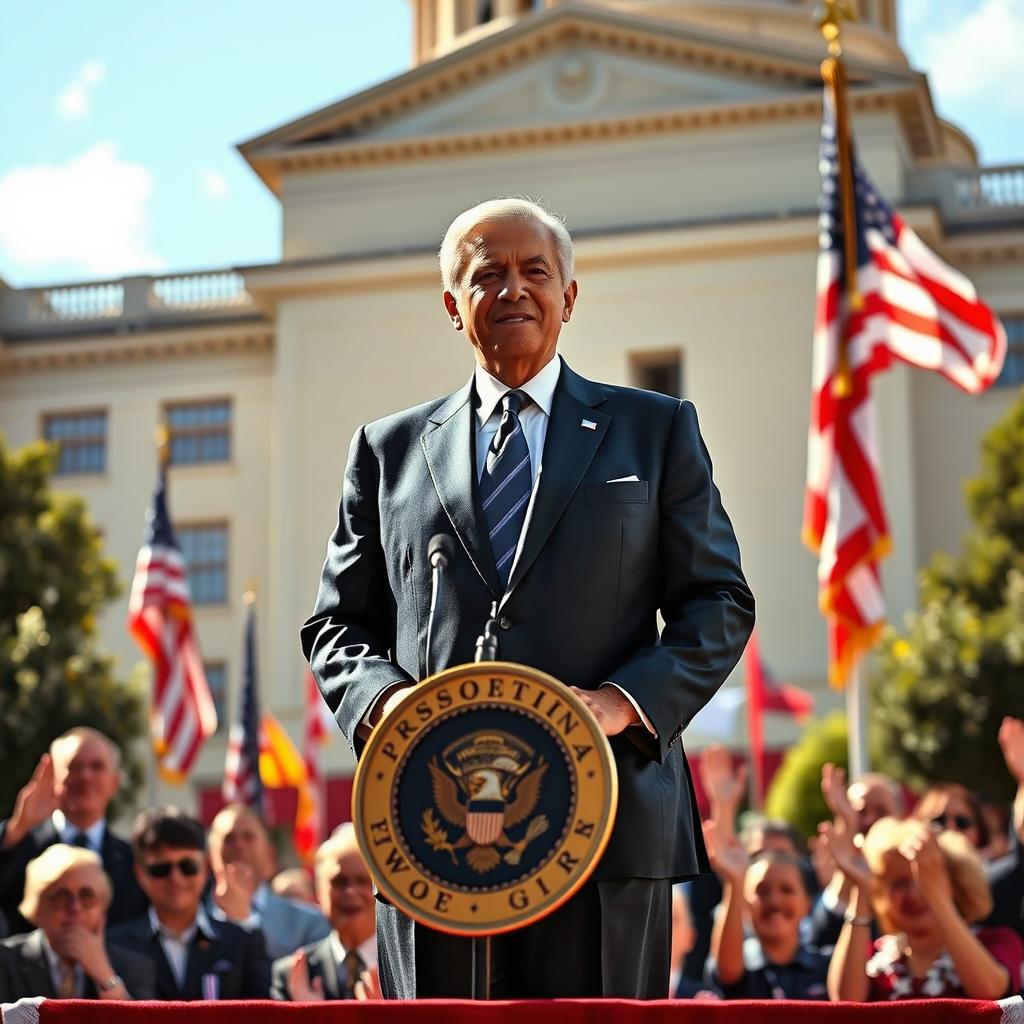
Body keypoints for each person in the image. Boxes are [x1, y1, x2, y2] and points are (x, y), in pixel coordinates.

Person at [302, 197, 755, 999]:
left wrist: (620, 703)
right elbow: (337, 623)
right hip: (428, 829)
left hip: (607, 820)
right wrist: (389, 712)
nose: (512, 289)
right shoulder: (387, 451)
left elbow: (718, 601)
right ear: (453, 307)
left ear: (569, 297)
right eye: (488, 274)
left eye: (534, 271)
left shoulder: (655, 430)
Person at [823, 815, 1023, 1001]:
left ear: (956, 884)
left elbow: (990, 992)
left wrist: (937, 898)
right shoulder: (874, 955)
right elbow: (845, 1000)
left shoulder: (997, 942)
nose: (913, 895)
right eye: (898, 883)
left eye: (923, 880)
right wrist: (863, 889)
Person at [107, 807, 270, 1000]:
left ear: (205, 867)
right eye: (161, 869)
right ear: (140, 874)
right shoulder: (114, 945)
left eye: (188, 866)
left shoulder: (241, 941)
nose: (176, 878)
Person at [0, 728, 147, 935]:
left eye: (97, 766)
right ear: (53, 778)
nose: (86, 776)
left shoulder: (134, 861)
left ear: (114, 782)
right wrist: (18, 828)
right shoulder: (19, 845)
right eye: (74, 766)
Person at [0, 845, 154, 1001]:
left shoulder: (135, 966)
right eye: (61, 896)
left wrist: (106, 978)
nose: (75, 907)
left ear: (103, 907)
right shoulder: (5, 962)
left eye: (87, 896)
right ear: (37, 908)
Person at [703, 820, 829, 1000]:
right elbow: (728, 970)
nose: (775, 901)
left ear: (807, 903)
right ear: (745, 905)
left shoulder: (827, 966)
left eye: (787, 890)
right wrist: (735, 882)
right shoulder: (738, 962)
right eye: (762, 891)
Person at [206, 803, 329, 961]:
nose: (239, 845)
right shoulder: (190, 919)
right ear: (210, 856)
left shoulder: (308, 923)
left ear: (270, 856)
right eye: (229, 839)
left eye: (248, 837)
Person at [271, 824, 378, 1001]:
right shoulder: (293, 975)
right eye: (339, 882)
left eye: (362, 881)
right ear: (319, 893)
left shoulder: (413, 969)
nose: (350, 891)